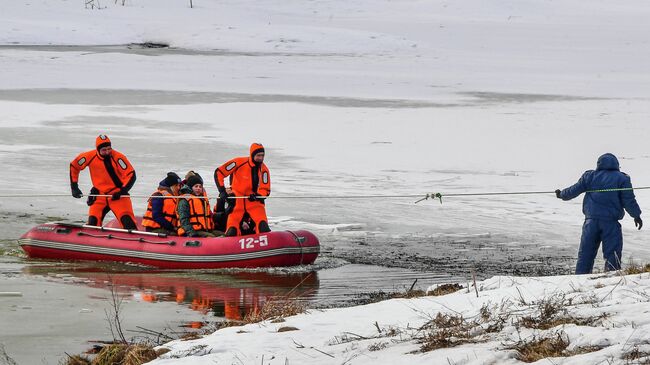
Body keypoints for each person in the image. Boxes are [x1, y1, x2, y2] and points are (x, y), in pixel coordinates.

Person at [556, 153, 643, 274]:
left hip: (590, 222)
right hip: (610, 224)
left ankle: (580, 279)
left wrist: (562, 194)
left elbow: (574, 190)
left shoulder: (590, 176)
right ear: (617, 165)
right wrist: (636, 215)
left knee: (585, 253)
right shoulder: (622, 178)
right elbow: (628, 200)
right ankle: (611, 280)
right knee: (612, 254)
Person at [69, 134, 137, 229]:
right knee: (93, 223)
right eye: (104, 150)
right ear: (98, 149)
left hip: (118, 196)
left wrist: (122, 191)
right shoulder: (89, 156)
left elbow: (131, 174)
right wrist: (74, 187)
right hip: (100, 195)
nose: (107, 152)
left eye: (109, 148)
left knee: (128, 222)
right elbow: (74, 166)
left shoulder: (118, 157)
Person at [214, 143, 271, 236]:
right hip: (237, 201)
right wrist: (222, 191)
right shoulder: (238, 162)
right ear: (252, 154)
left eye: (262, 155)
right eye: (258, 155)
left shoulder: (264, 170)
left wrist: (258, 196)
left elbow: (266, 188)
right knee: (232, 230)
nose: (261, 158)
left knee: (263, 226)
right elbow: (219, 172)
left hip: (253, 202)